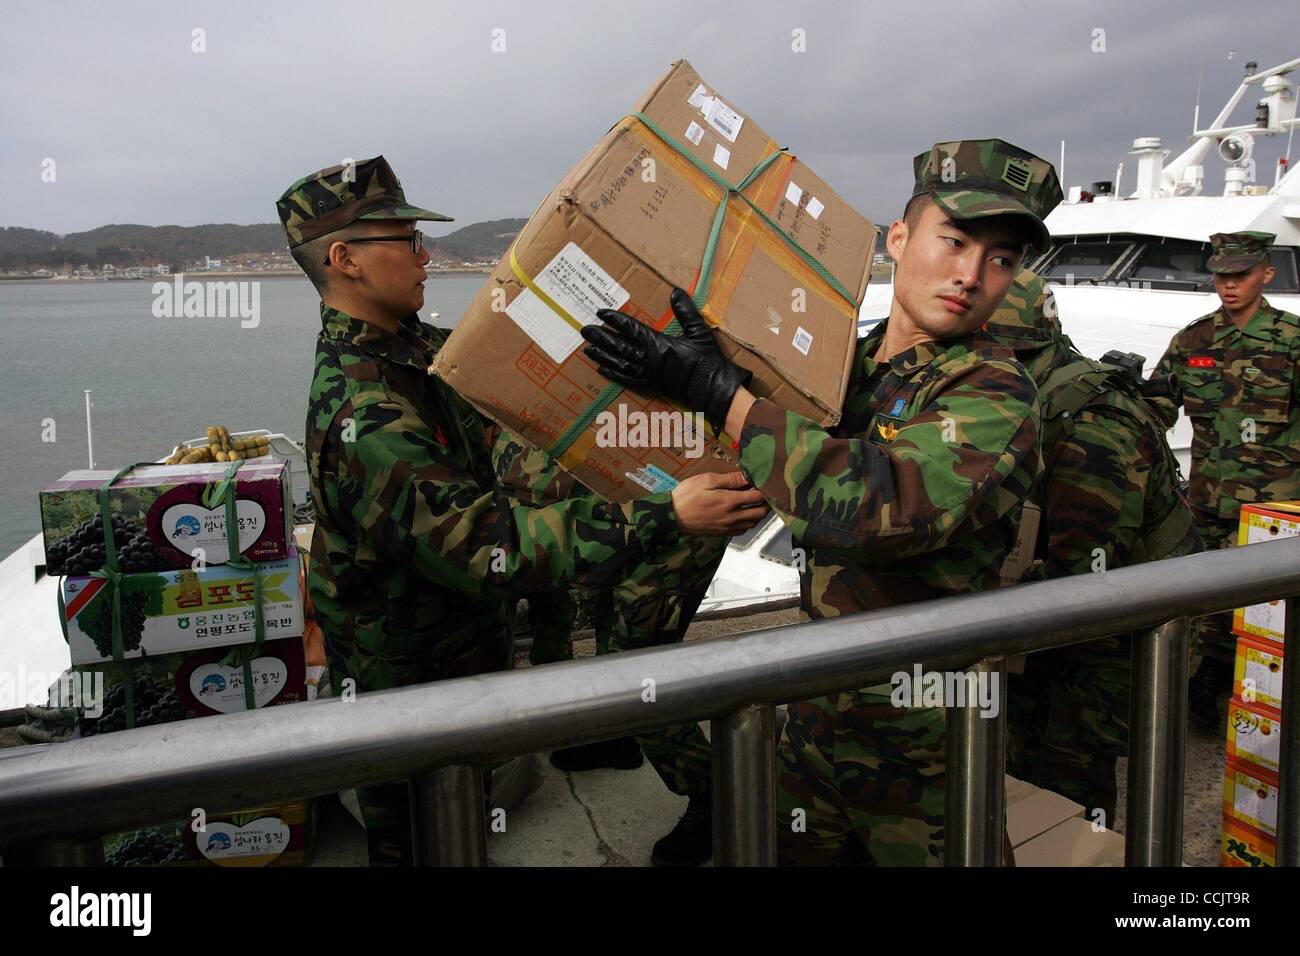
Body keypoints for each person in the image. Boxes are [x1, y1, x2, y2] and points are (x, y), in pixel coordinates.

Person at [582, 139, 1060, 865]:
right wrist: (712, 376)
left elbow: (888, 510)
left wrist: (719, 394)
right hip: (815, 715)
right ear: (897, 239)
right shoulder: (857, 364)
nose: (971, 275)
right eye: (956, 241)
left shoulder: (994, 389)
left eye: (1002, 259)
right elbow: (795, 443)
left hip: (920, 741)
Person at [277, 155, 766, 864]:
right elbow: (489, 548)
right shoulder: (366, 417)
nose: (426, 255)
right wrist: (666, 514)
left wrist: (674, 368)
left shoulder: (413, 354)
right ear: (346, 259)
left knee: (460, 823)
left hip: (455, 667)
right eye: (407, 241)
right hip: (409, 685)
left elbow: (517, 400)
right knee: (422, 843)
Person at [986, 270, 1199, 823]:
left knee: (1066, 784)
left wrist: (970, 605)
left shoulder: (1089, 421)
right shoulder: (1025, 394)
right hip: (1060, 621)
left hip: (1109, 637)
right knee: (1017, 767)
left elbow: (1088, 573)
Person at [491, 430, 727, 865]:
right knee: (606, 624)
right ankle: (617, 739)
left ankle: (715, 795)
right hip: (606, 515)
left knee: (637, 670)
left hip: (677, 518)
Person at [1152, 231, 1300, 732]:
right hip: (1207, 501)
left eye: (1240, 274)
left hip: (1275, 510)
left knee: (1267, 617)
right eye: (1221, 275)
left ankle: (1241, 698)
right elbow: (1155, 407)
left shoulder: (1292, 341)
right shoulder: (1193, 340)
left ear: (1266, 273)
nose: (1229, 285)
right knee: (1201, 606)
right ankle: (1204, 688)